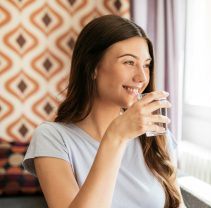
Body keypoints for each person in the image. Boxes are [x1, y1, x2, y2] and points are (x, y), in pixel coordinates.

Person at [23, 15, 184, 208]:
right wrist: (116, 136)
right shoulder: (53, 138)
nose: (142, 77)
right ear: (93, 68)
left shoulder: (157, 136)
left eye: (146, 65)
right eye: (129, 62)